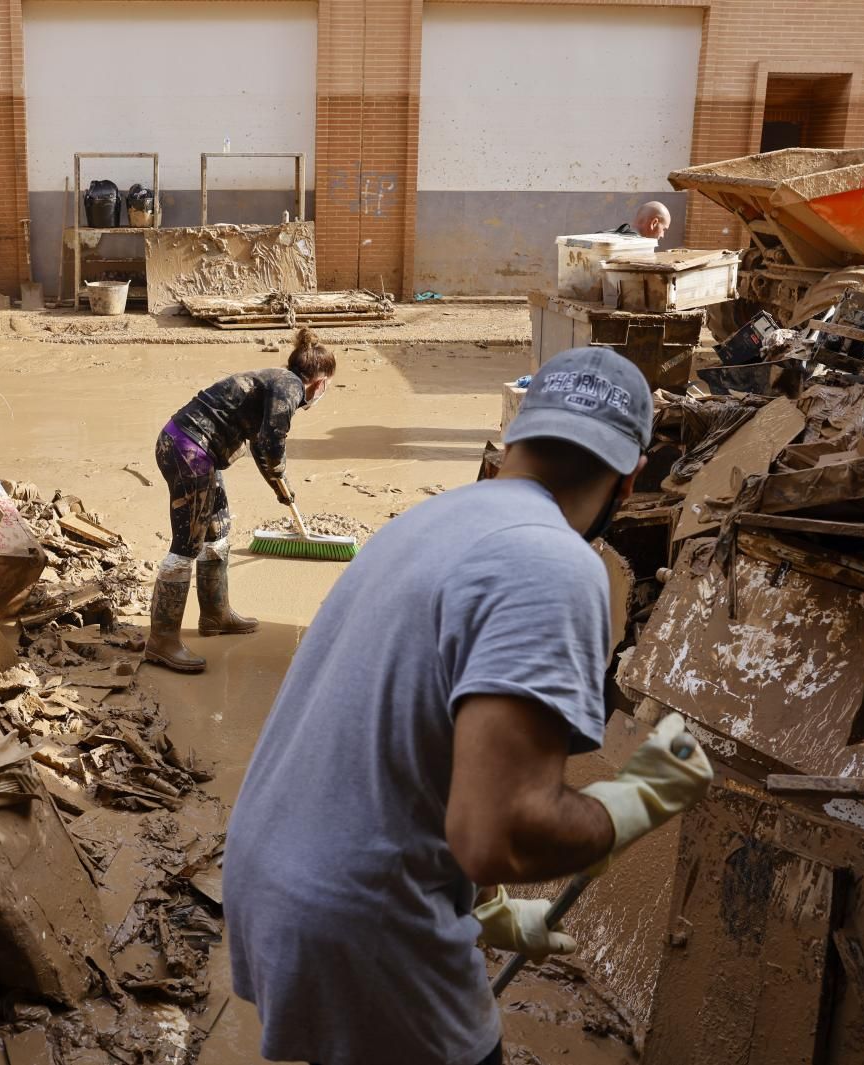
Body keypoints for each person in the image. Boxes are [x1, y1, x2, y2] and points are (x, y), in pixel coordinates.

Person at [222, 346, 714, 1065]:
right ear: (632, 479)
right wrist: (636, 799)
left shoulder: (426, 524)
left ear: (512, 439)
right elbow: (499, 833)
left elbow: (414, 739)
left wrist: (482, 907)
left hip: (275, 878)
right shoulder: (556, 563)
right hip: (362, 914)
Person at [146, 328, 336, 673]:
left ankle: (215, 615)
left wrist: (279, 485)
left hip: (194, 451)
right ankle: (161, 641)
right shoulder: (290, 386)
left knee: (217, 531)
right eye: (325, 386)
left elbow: (260, 445)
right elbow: (270, 442)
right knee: (186, 545)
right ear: (318, 383)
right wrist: (280, 479)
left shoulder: (275, 382)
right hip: (188, 450)